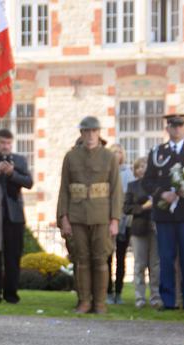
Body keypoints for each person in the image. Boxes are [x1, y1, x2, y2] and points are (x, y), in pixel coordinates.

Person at [142, 113, 184, 311]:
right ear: (168, 129)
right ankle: (168, 300)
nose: (177, 129)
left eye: (181, 126)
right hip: (165, 215)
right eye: (174, 126)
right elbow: (147, 181)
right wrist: (161, 193)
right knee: (166, 257)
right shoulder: (157, 152)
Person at [57, 116, 123, 314]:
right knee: (81, 259)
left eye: (94, 131)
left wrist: (115, 219)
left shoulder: (109, 157)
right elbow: (64, 189)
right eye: (86, 131)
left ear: (99, 133)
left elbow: (116, 190)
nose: (90, 135)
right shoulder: (71, 157)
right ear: (81, 134)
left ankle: (100, 303)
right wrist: (64, 218)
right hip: (77, 215)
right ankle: (84, 301)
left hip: (102, 216)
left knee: (100, 259)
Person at [0, 129, 34, 304]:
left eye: (9, 143)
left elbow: (29, 183)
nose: (6, 146)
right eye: (2, 143)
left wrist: (12, 173)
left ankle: (11, 295)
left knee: (13, 256)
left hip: (14, 214)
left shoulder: (19, 160)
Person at [123, 157, 161, 308]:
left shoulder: (157, 186)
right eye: (139, 166)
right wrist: (143, 208)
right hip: (139, 229)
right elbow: (126, 208)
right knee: (139, 264)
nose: (142, 169)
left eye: (145, 166)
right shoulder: (132, 186)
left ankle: (155, 296)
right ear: (135, 170)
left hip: (155, 228)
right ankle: (139, 297)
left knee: (155, 264)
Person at [107, 144, 134, 304]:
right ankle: (108, 292)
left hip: (123, 220)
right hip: (107, 218)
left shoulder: (127, 172)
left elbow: (130, 196)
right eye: (114, 152)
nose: (117, 155)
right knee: (107, 258)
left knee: (121, 258)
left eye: (119, 152)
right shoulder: (107, 171)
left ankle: (119, 292)